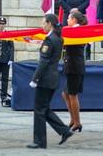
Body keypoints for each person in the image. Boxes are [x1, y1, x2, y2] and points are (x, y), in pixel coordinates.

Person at [27, 14, 74, 149]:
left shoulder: (49, 39)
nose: (42, 26)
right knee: (44, 108)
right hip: (53, 78)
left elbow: (43, 62)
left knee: (39, 109)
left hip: (45, 79)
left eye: (43, 23)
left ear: (50, 24)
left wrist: (35, 78)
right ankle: (64, 131)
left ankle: (39, 141)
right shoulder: (58, 38)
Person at [62, 11, 87, 132]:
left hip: (75, 67)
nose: (67, 20)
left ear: (74, 20)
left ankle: (77, 122)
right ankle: (73, 119)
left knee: (72, 94)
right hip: (71, 65)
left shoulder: (77, 31)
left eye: (69, 18)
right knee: (66, 94)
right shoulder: (72, 30)